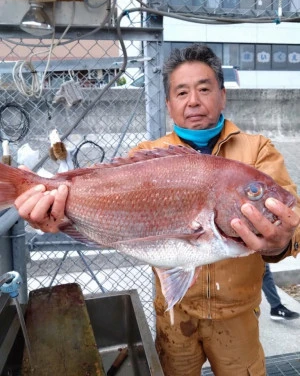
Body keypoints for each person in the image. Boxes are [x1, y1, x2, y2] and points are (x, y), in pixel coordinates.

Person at [14, 44, 300, 376]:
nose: (193, 100)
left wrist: (281, 243)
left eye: (204, 89)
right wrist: (57, 214)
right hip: (174, 318)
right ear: (169, 104)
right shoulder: (147, 155)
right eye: (181, 92)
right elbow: (103, 215)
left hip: (237, 317)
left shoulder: (258, 150)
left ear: (222, 96)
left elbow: (292, 222)